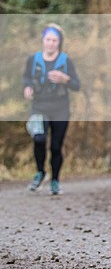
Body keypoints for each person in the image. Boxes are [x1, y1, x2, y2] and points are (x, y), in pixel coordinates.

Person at [22, 24, 81, 195]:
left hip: (60, 109)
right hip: (39, 106)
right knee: (39, 139)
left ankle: (55, 180)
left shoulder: (66, 61)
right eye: (48, 39)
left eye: (54, 40)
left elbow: (77, 85)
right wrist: (27, 88)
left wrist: (65, 79)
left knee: (56, 146)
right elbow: (26, 77)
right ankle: (41, 172)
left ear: (59, 42)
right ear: (43, 40)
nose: (51, 43)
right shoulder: (33, 60)